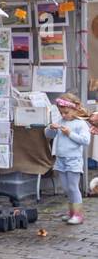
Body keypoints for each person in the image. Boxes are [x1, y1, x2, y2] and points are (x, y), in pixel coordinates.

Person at [46, 93, 91, 225]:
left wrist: (70, 133)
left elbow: (85, 140)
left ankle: (78, 214)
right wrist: (50, 128)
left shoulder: (80, 124)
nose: (63, 115)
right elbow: (49, 135)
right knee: (66, 188)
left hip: (73, 160)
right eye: (61, 113)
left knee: (73, 187)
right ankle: (71, 212)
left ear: (75, 109)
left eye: (66, 112)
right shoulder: (61, 121)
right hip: (61, 159)